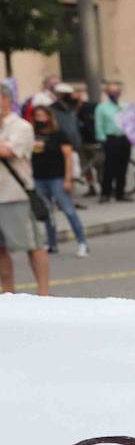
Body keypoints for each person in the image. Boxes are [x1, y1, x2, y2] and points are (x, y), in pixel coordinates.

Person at [0, 82, 51, 294]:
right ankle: (7, 291)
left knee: (33, 245)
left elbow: (6, 152)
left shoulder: (21, 126)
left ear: (6, 100)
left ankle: (43, 292)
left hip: (16, 195)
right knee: (1, 249)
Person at [30, 103, 88, 257]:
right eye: (37, 116)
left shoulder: (59, 134)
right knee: (47, 212)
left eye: (42, 115)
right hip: (39, 177)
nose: (40, 119)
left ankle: (82, 242)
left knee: (68, 210)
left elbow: (68, 156)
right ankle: (52, 243)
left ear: (49, 117)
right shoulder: (32, 134)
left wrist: (68, 179)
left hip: (57, 177)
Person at [95, 82, 132, 202]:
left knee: (123, 166)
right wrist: (102, 139)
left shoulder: (125, 106)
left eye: (116, 91)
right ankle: (105, 193)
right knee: (109, 167)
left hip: (124, 138)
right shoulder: (102, 107)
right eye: (111, 92)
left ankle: (120, 192)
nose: (114, 94)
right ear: (107, 93)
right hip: (111, 139)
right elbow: (99, 124)